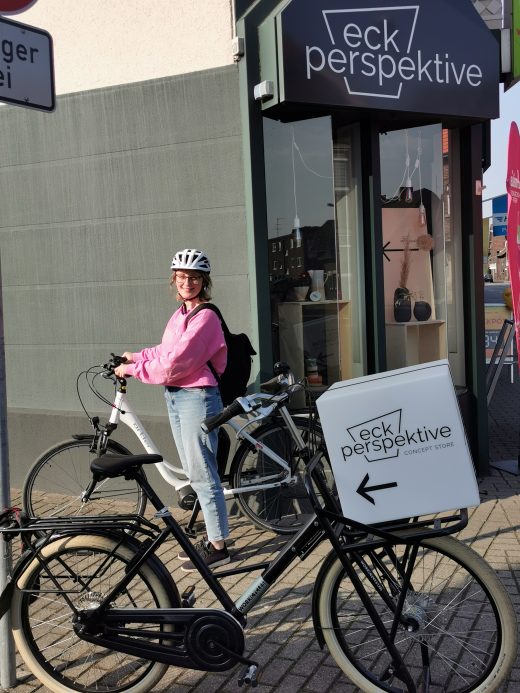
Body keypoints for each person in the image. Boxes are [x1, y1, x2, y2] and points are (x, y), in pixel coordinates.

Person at [114, 248, 230, 571]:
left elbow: (175, 364)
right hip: (177, 397)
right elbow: (165, 351)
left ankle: (219, 546)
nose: (187, 282)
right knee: (196, 472)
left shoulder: (206, 317)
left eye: (194, 278)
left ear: (203, 281)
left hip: (197, 398)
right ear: (174, 280)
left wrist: (134, 371)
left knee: (203, 474)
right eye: (182, 277)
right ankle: (214, 536)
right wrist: (136, 357)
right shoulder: (180, 315)